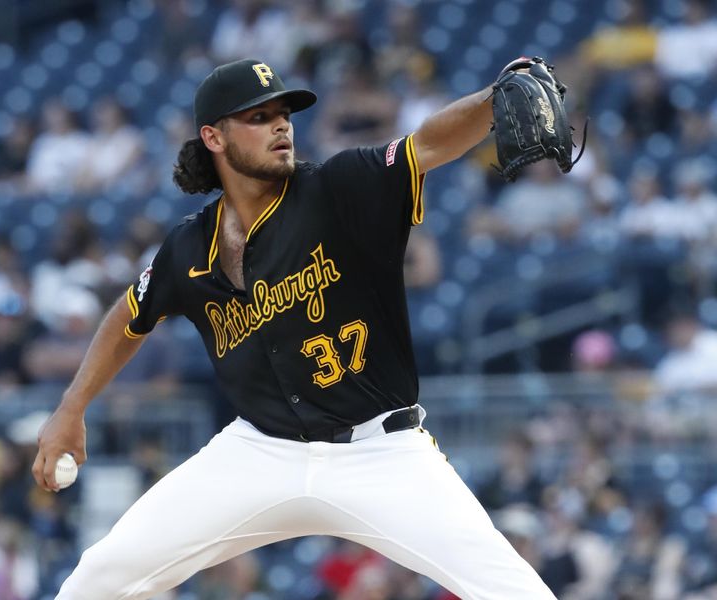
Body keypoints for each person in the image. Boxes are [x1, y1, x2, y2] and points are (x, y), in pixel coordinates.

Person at [33, 58, 558, 599]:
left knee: (514, 590)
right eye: (258, 117)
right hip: (260, 450)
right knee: (97, 578)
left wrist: (493, 99)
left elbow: (425, 145)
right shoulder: (188, 248)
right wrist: (72, 407)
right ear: (213, 136)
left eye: (283, 113)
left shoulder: (340, 186)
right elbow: (129, 315)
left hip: (380, 453)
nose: (281, 125)